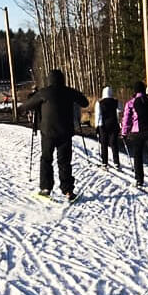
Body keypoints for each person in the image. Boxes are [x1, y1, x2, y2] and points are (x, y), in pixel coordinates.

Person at [20, 69, 89, 201]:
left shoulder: (43, 93)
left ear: (49, 80)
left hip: (48, 133)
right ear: (62, 79)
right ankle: (68, 191)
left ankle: (46, 188)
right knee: (64, 162)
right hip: (65, 133)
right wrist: (76, 94)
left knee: (46, 159)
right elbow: (84, 102)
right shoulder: (69, 92)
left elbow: (26, 106)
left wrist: (30, 99)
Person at [120, 81, 148, 189]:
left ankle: (139, 180)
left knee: (138, 156)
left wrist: (124, 132)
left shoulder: (130, 103)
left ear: (135, 91)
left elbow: (126, 119)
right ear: (144, 89)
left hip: (137, 133)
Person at [95, 86, 122, 169]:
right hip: (114, 125)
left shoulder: (99, 103)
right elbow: (120, 109)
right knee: (114, 144)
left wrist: (97, 127)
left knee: (104, 144)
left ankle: (104, 162)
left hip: (103, 126)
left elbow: (98, 116)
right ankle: (116, 162)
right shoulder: (116, 102)